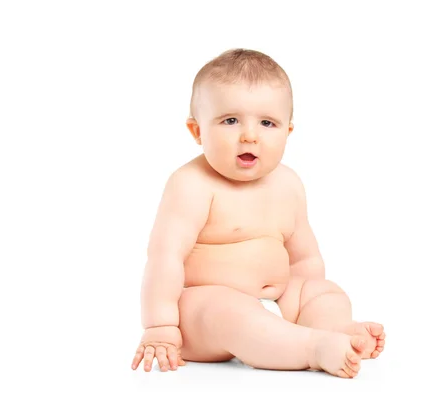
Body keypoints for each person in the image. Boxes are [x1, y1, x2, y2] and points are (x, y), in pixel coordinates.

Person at [130, 48, 385, 378]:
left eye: (267, 123)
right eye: (230, 120)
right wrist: (161, 326)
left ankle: (332, 330)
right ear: (197, 131)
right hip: (201, 313)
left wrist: (309, 302)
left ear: (287, 133)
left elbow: (304, 257)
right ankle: (311, 348)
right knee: (231, 313)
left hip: (277, 299)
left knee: (325, 291)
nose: (249, 135)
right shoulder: (190, 185)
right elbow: (165, 258)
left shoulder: (288, 183)